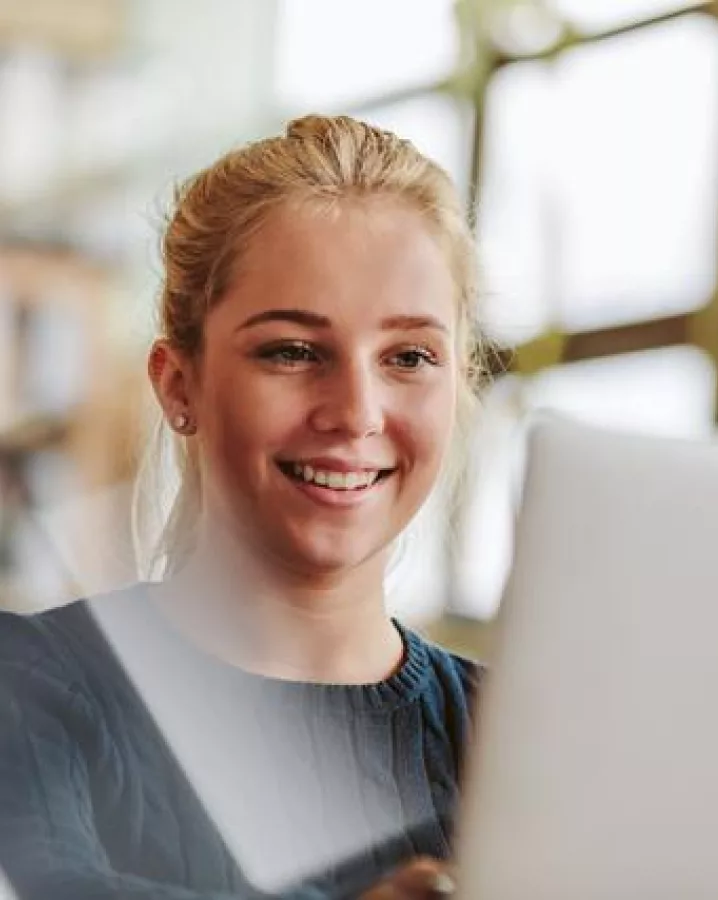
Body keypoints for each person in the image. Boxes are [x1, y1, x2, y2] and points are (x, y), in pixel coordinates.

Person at [0, 115, 489, 900]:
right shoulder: (30, 684)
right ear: (178, 384)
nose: (356, 412)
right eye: (292, 351)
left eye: (409, 358)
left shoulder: (518, 738)